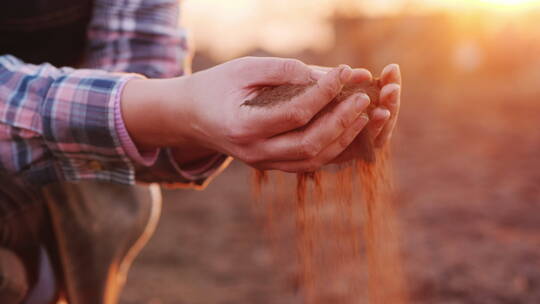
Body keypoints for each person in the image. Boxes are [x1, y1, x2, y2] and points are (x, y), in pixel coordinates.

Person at [0, 0, 401, 303]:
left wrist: (232, 122)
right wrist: (179, 107)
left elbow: (149, 93)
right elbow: (156, 103)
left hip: (62, 168)